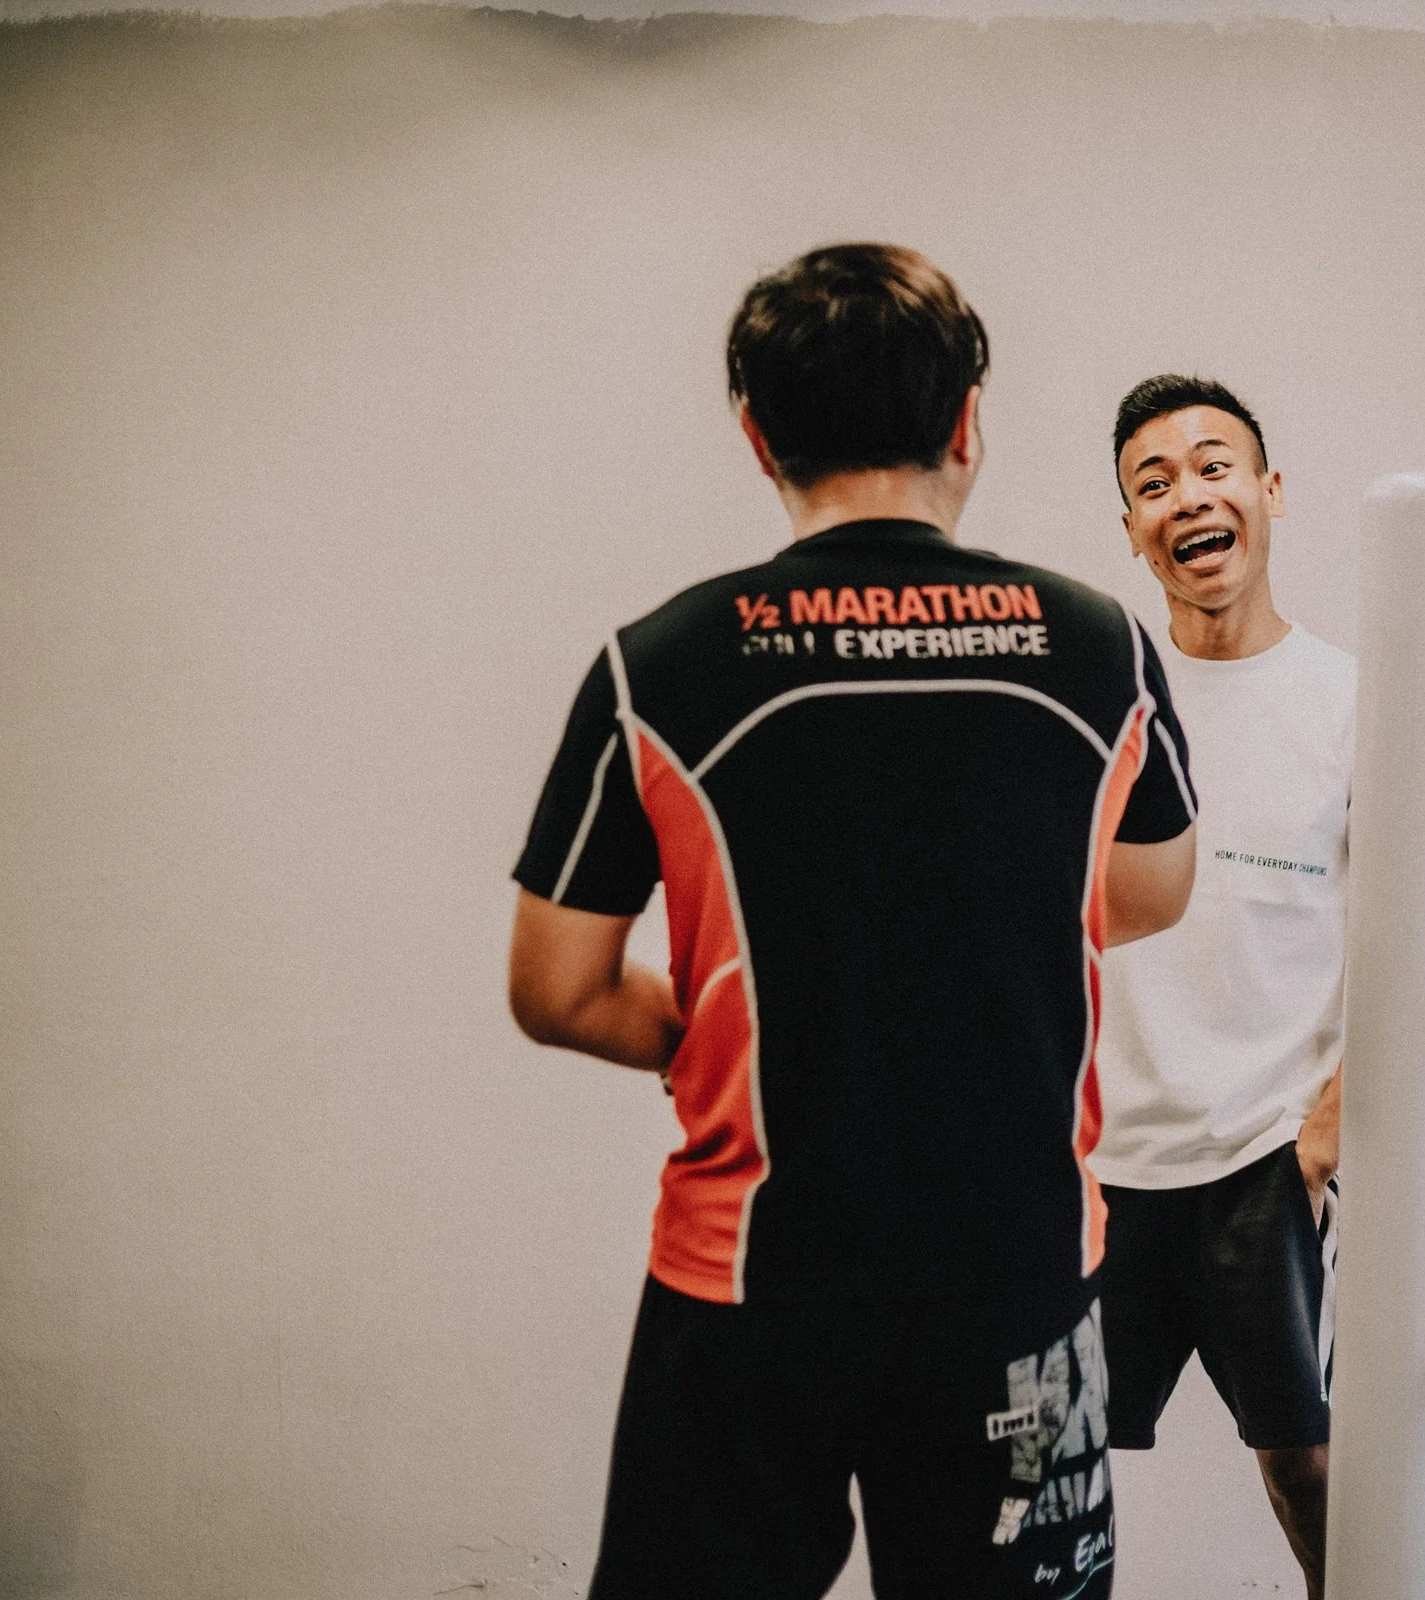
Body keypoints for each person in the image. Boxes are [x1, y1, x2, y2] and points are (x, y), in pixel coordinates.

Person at [505, 244, 1198, 1600]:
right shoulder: (1097, 642)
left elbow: (558, 986)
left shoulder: (664, 660)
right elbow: (1154, 888)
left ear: (758, 434)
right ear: (966, 423)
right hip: (1021, 1280)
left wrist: (717, 1023)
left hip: (754, 1282)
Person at [1090, 376, 1352, 1600]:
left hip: (1265, 1154)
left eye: (1212, 465)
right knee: (1047, 1457)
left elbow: (1407, 935)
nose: (1187, 495)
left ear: (1269, 491)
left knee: (1307, 1462)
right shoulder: (1105, 703)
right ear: (1133, 529)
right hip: (1105, 1164)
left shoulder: (1353, 702)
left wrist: (1324, 1133)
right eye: (1153, 484)